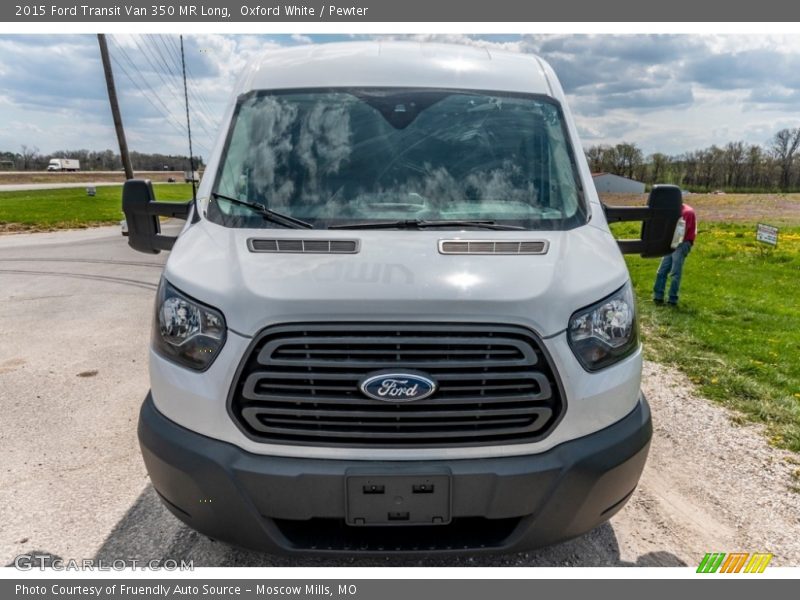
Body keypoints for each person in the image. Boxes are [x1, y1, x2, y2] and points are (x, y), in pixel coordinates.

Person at [653, 203, 697, 306]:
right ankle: (658, 297)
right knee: (661, 271)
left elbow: (682, 233)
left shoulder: (687, 212)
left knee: (675, 273)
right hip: (672, 241)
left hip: (681, 243)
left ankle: (672, 299)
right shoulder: (672, 211)